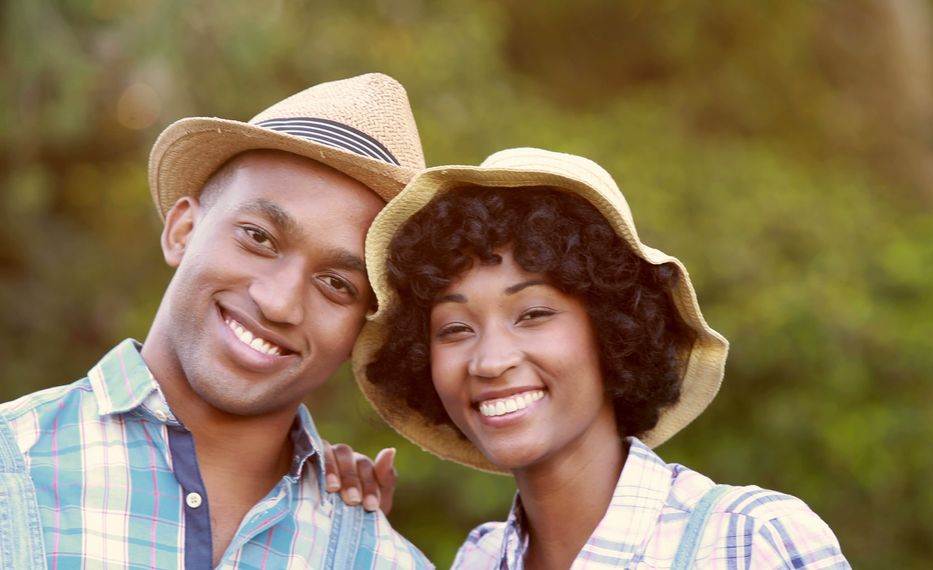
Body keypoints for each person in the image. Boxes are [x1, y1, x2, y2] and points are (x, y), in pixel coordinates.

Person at [0, 73, 432, 569]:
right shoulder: (12, 468)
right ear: (183, 230)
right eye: (258, 238)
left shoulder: (380, 560)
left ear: (361, 329)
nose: (279, 304)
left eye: (338, 284)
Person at [348, 148, 851, 568]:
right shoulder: (478, 559)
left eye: (533, 314)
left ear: (613, 332)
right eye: (455, 329)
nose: (490, 361)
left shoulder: (749, 540)